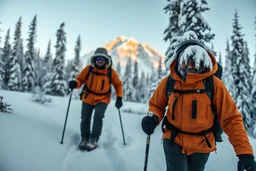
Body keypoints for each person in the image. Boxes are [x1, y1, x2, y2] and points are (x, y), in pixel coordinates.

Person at [141, 40, 256, 171]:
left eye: (195, 62)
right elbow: (156, 105)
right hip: (173, 140)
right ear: (178, 61)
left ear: (203, 62)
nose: (190, 66)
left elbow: (231, 119)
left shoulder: (214, 85)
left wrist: (245, 153)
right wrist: (153, 118)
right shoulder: (170, 82)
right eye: (186, 61)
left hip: (202, 143)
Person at [68, 47, 123, 151]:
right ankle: (85, 138)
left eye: (103, 59)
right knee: (85, 118)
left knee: (98, 117)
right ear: (94, 59)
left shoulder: (110, 72)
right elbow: (80, 79)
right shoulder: (89, 69)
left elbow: (118, 84)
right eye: (98, 59)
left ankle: (94, 139)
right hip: (88, 97)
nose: (100, 61)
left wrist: (119, 97)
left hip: (103, 99)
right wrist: (75, 84)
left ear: (106, 60)